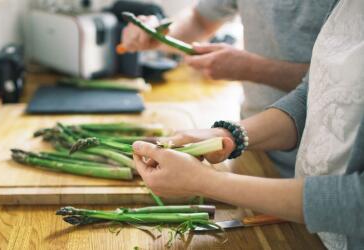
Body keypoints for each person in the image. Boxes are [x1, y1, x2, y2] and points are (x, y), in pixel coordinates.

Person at [132, 0, 364, 248]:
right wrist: (228, 135)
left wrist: (205, 182)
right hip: (312, 225)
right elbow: (317, 91)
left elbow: (356, 201)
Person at [121, 0, 337, 177]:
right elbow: (199, 20)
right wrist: (158, 35)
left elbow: (338, 82)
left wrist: (252, 68)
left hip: (323, 157)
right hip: (251, 140)